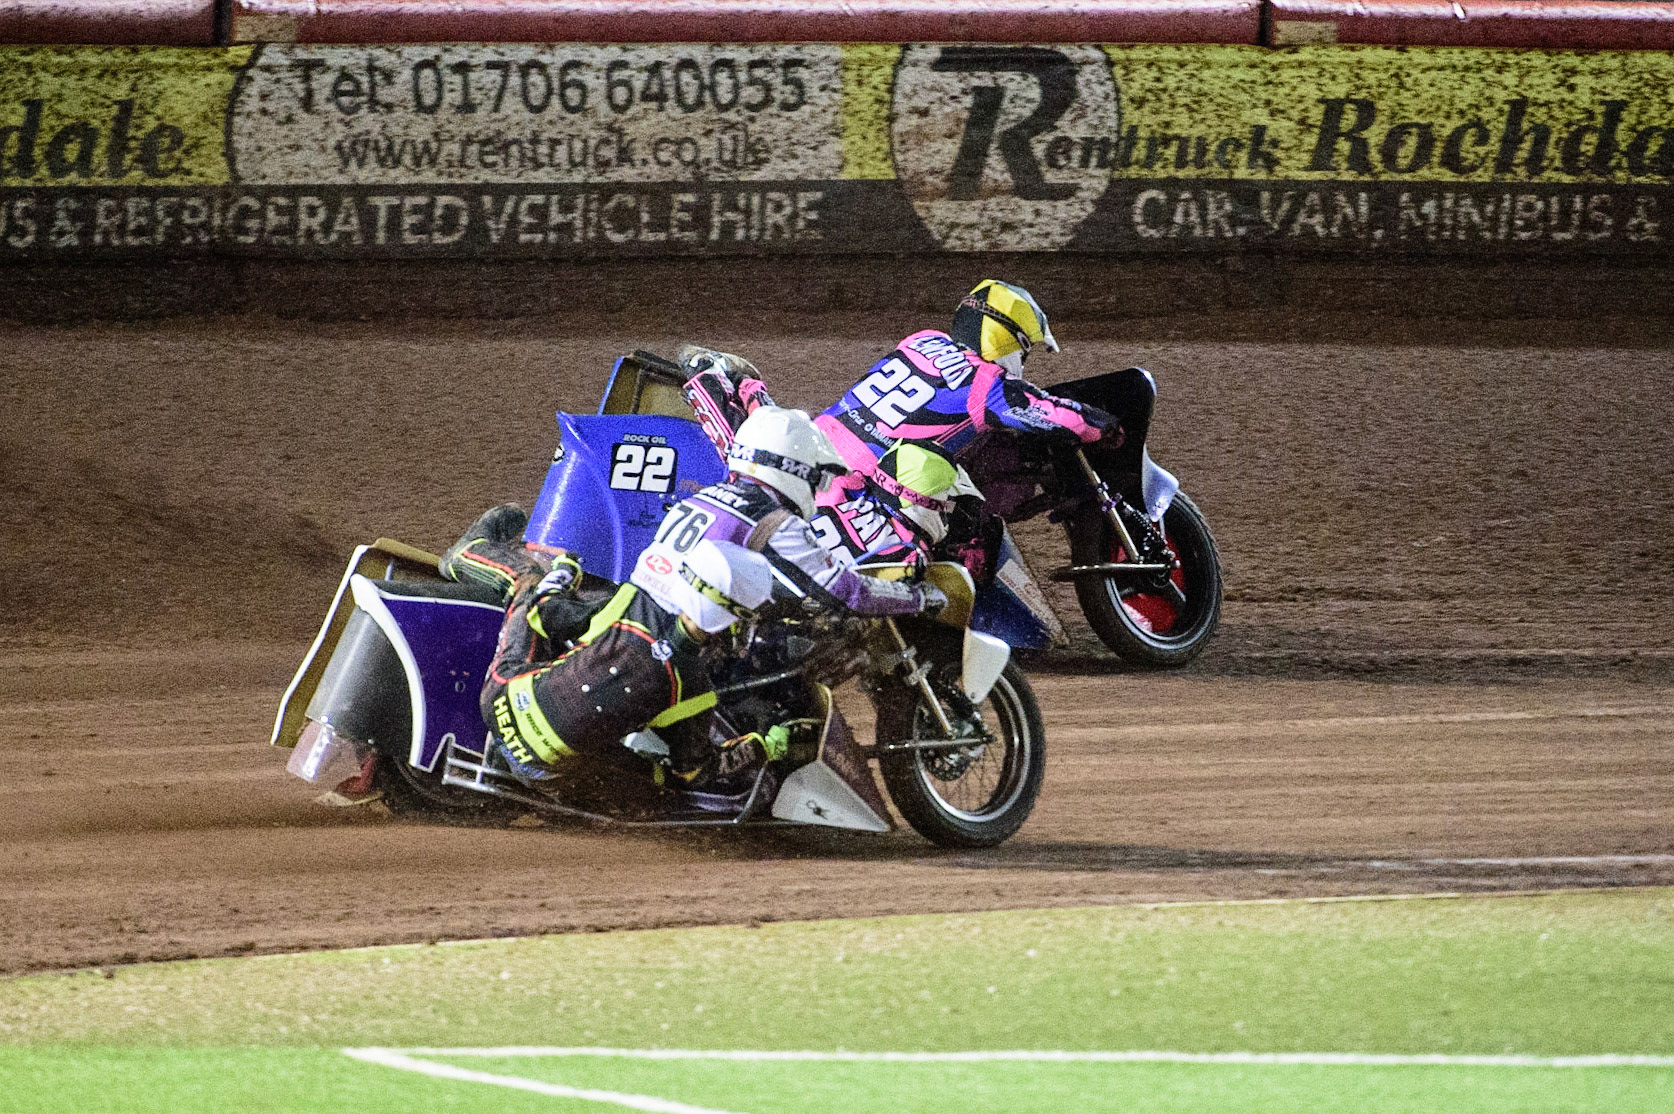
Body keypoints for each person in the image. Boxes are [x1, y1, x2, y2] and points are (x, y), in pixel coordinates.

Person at [459, 405, 948, 810]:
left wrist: (562, 574)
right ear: (796, 469)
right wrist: (919, 597)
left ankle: (479, 556)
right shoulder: (777, 526)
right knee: (672, 778)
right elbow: (848, 592)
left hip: (606, 622)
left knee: (539, 587)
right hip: (560, 757)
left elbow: (548, 612)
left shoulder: (705, 497)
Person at [814, 279, 1113, 476]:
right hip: (856, 487)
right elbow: (1063, 418)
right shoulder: (986, 385)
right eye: (1025, 349)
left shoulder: (920, 339)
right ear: (1008, 339)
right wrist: (1108, 427)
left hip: (812, 447)